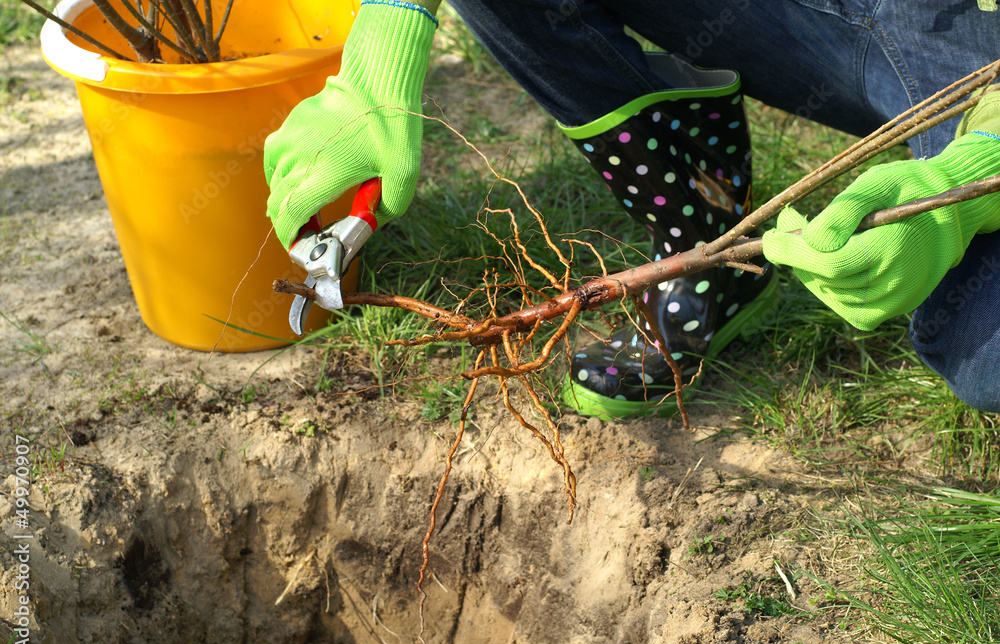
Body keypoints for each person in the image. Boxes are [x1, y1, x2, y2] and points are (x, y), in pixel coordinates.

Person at [265, 0, 1000, 416]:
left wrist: (967, 186)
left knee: (984, 353)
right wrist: (385, 40)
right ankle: (705, 234)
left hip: (975, 47)